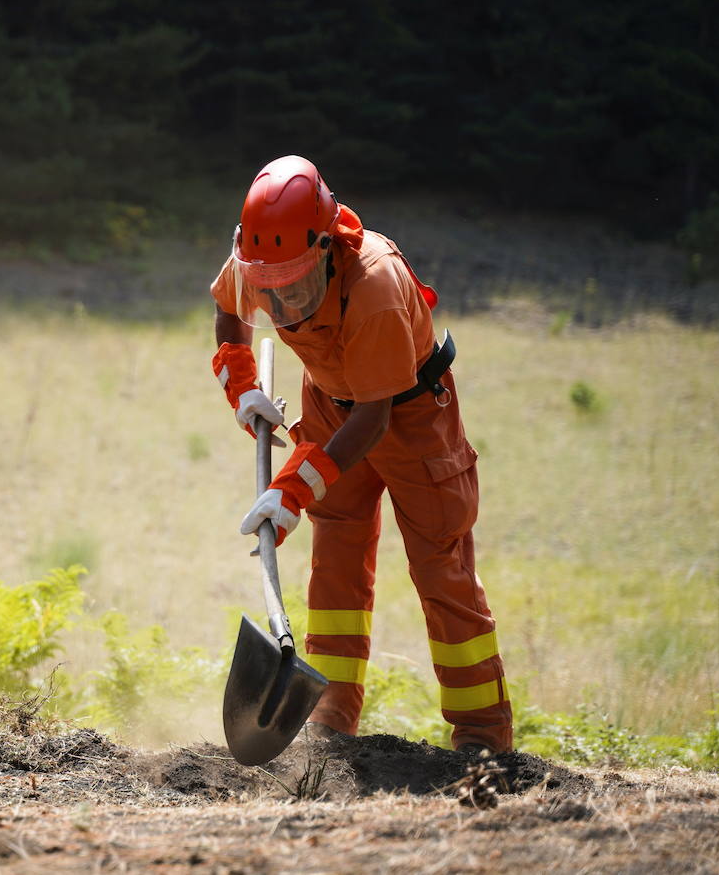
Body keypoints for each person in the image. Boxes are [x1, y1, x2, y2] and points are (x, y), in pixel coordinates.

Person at [210, 155, 512, 754]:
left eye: (297, 283)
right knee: (336, 571)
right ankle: (330, 728)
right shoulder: (262, 261)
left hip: (410, 414)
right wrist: (243, 389)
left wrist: (293, 489)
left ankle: (482, 740)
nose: (285, 303)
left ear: (326, 247)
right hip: (330, 403)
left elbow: (375, 417)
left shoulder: (371, 286)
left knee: (440, 571)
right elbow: (229, 313)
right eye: (272, 287)